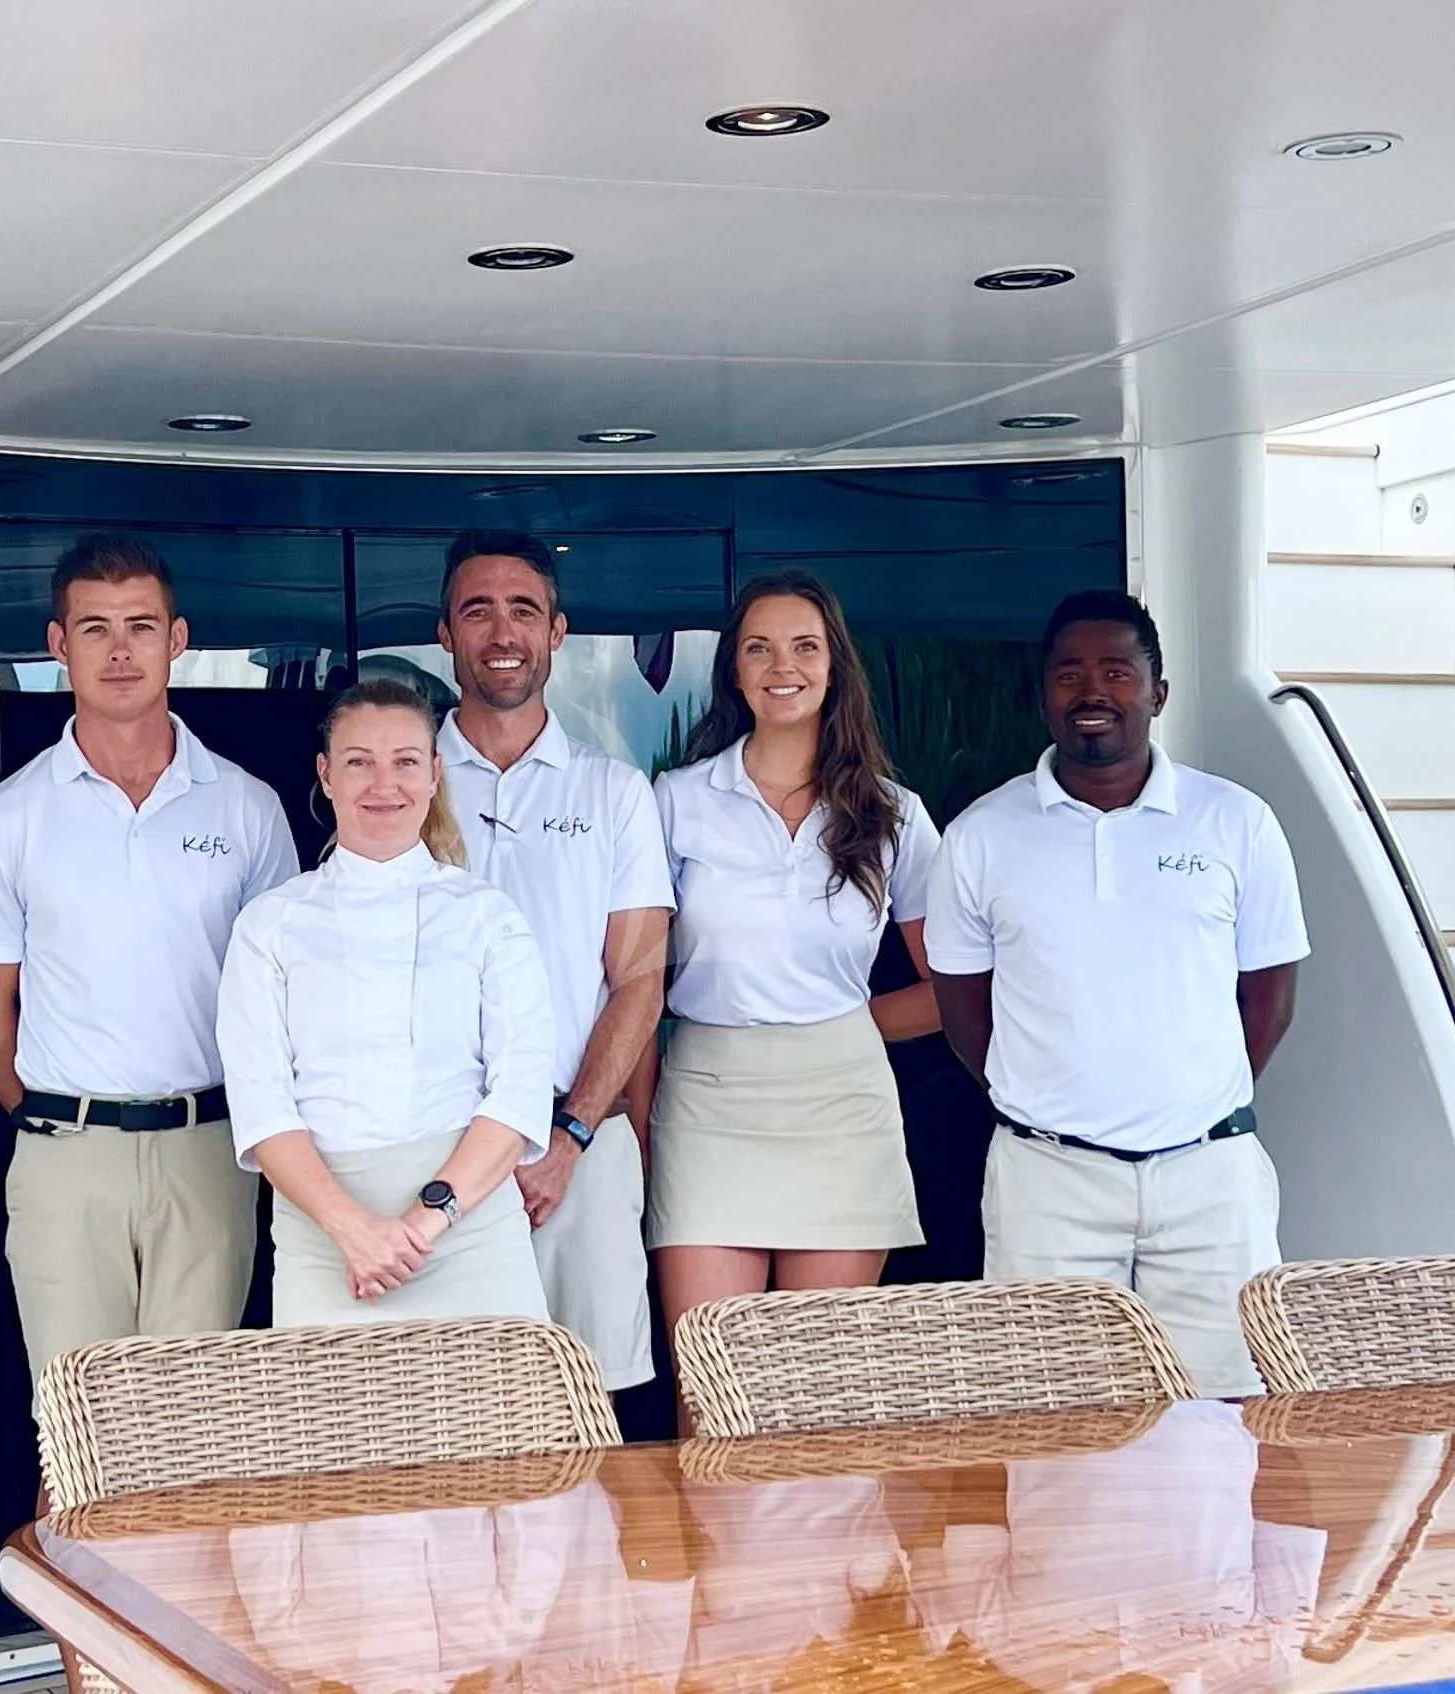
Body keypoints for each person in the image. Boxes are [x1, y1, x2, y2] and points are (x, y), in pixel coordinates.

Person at [926, 589, 1307, 1398]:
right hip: (1047, 1178)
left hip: (1210, 1177)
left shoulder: (1236, 823)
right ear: (1043, 694)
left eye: (1116, 672)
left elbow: (1268, 997)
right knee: (1055, 1422)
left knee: (1227, 1416)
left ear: (1157, 692)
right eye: (1069, 674)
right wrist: (1053, 1093)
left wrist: (1190, 1101)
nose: (1092, 692)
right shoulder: (982, 836)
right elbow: (963, 1010)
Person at [0, 533, 298, 1383]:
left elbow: (285, 994)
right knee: (75, 1429)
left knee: (191, 1432)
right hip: (67, 1152)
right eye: (94, 628)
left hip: (210, 1147)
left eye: (140, 625)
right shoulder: (9, 817)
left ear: (177, 640)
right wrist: (55, 1123)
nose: (120, 650)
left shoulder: (248, 809)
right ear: (58, 646)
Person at [649, 570, 942, 1337]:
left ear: (835, 665)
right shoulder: (675, 801)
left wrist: (841, 1030)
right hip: (708, 1098)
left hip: (843, 1103)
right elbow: (635, 979)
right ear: (735, 671)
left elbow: (955, 986)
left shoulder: (894, 814)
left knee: (818, 1391)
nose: (784, 667)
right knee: (713, 1381)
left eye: (805, 647)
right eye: (761, 648)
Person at [216, 678, 556, 1325]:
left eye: (404, 762)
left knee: (506, 1427)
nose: (383, 784)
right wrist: (354, 1231)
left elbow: (518, 1094)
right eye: (358, 762)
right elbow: (262, 1105)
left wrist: (422, 1226)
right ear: (325, 775)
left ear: (433, 775)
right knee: (336, 1429)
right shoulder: (271, 924)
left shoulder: (488, 917)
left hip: (471, 1234)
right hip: (325, 1240)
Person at [433, 531, 673, 1393]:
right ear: (446, 633)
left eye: (523, 610)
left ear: (557, 631)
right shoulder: (401, 785)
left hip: (583, 1146)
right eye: (479, 610)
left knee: (595, 1416)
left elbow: (639, 978)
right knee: (460, 1416)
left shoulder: (613, 792)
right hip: (439, 1156)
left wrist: (570, 1137)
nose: (503, 631)